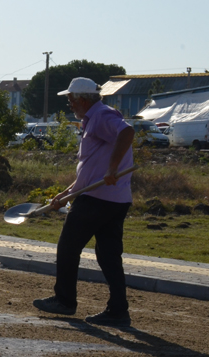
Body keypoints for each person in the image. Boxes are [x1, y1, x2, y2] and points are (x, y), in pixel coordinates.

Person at [32, 77, 136, 327]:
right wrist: (66, 193)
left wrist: (113, 168)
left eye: (69, 98)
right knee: (109, 256)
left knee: (68, 246)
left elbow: (127, 132)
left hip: (98, 199)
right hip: (113, 199)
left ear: (81, 98)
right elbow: (90, 168)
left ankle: (65, 301)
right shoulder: (95, 118)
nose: (69, 103)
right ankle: (118, 311)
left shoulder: (100, 115)